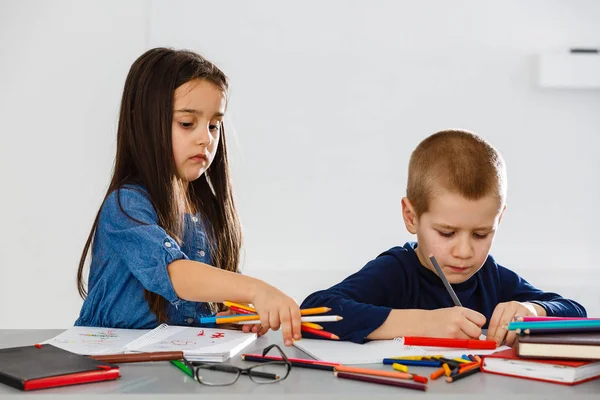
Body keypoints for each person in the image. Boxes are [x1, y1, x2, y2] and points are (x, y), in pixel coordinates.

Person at [75, 48, 302, 346]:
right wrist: (254, 290)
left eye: (214, 125)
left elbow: (206, 303)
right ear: (145, 123)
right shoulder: (126, 205)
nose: (206, 138)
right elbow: (177, 275)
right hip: (112, 363)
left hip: (177, 362)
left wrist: (236, 312)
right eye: (187, 123)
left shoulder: (207, 210)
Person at [301, 129, 586, 346]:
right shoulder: (397, 271)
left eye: (481, 234)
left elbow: (575, 312)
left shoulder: (492, 277)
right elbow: (314, 312)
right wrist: (422, 323)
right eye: (447, 233)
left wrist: (532, 310)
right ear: (412, 218)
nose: (464, 251)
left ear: (498, 220)